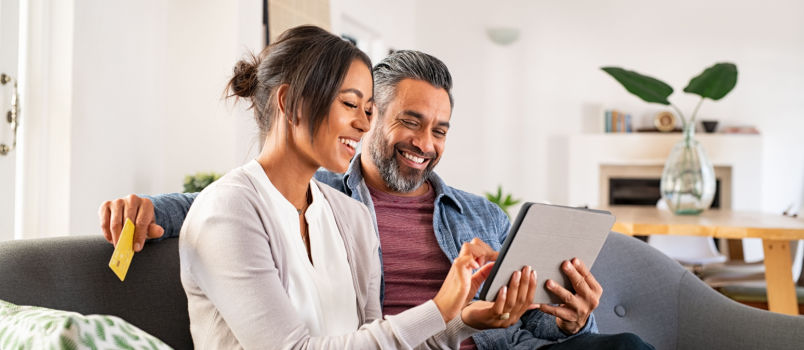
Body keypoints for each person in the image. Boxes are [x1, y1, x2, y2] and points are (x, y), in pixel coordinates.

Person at [100, 47, 654, 349]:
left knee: (621, 348)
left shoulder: (476, 214)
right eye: (408, 121)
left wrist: (569, 321)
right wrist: (149, 209)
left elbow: (522, 318)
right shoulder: (323, 193)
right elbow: (228, 201)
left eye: (440, 130)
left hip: (473, 348)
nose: (424, 143)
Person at [136, 25, 538, 349]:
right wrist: (440, 306)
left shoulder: (349, 215)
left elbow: (375, 339)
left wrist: (461, 321)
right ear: (292, 103)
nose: (364, 125)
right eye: (351, 105)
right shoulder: (227, 211)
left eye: (367, 109)